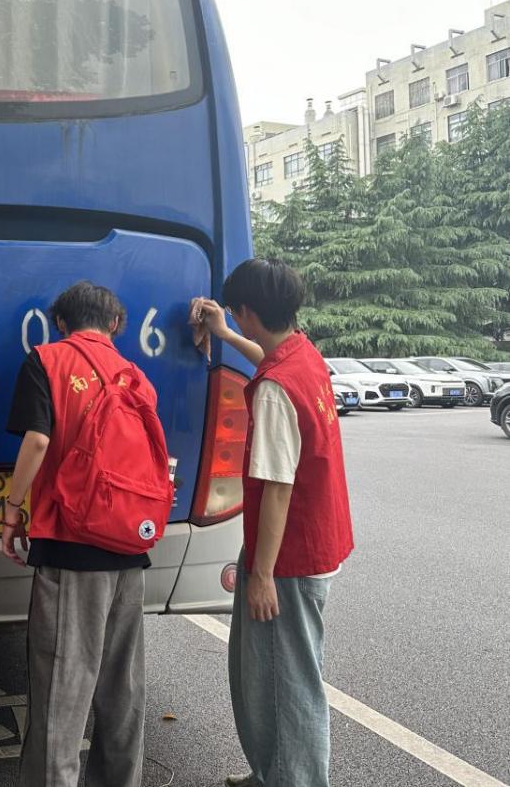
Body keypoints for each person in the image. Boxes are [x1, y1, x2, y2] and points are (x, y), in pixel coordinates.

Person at [191, 258, 353, 787]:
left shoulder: (275, 390)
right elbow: (268, 359)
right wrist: (224, 336)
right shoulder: (302, 355)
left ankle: (294, 780)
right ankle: (274, 773)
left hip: (288, 558)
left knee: (289, 683)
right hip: (311, 543)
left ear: (248, 311)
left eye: (234, 313)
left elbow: (278, 487)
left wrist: (262, 575)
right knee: (270, 675)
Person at [1, 280, 156, 787]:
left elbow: (38, 439)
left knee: (61, 694)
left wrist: (12, 510)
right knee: (122, 689)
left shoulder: (47, 361)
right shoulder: (136, 376)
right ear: (115, 324)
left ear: (62, 323)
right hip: (129, 547)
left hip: (71, 547)